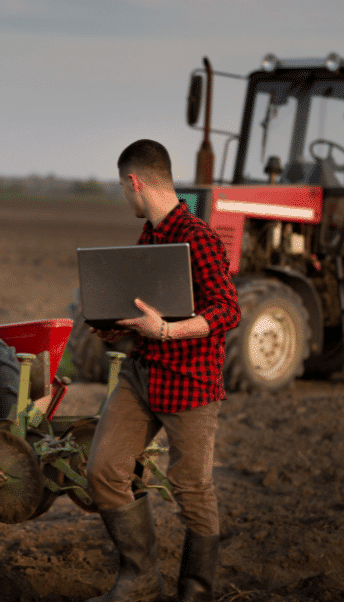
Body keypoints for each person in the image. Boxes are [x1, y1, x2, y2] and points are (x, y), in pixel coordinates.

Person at [85, 139, 241, 602]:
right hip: (143, 374)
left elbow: (228, 310)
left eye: (122, 188)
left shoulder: (198, 236)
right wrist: (112, 323)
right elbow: (145, 311)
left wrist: (167, 332)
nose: (124, 196)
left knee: (192, 490)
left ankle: (196, 592)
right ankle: (140, 581)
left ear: (135, 182)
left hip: (190, 382)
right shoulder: (151, 237)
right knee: (104, 471)